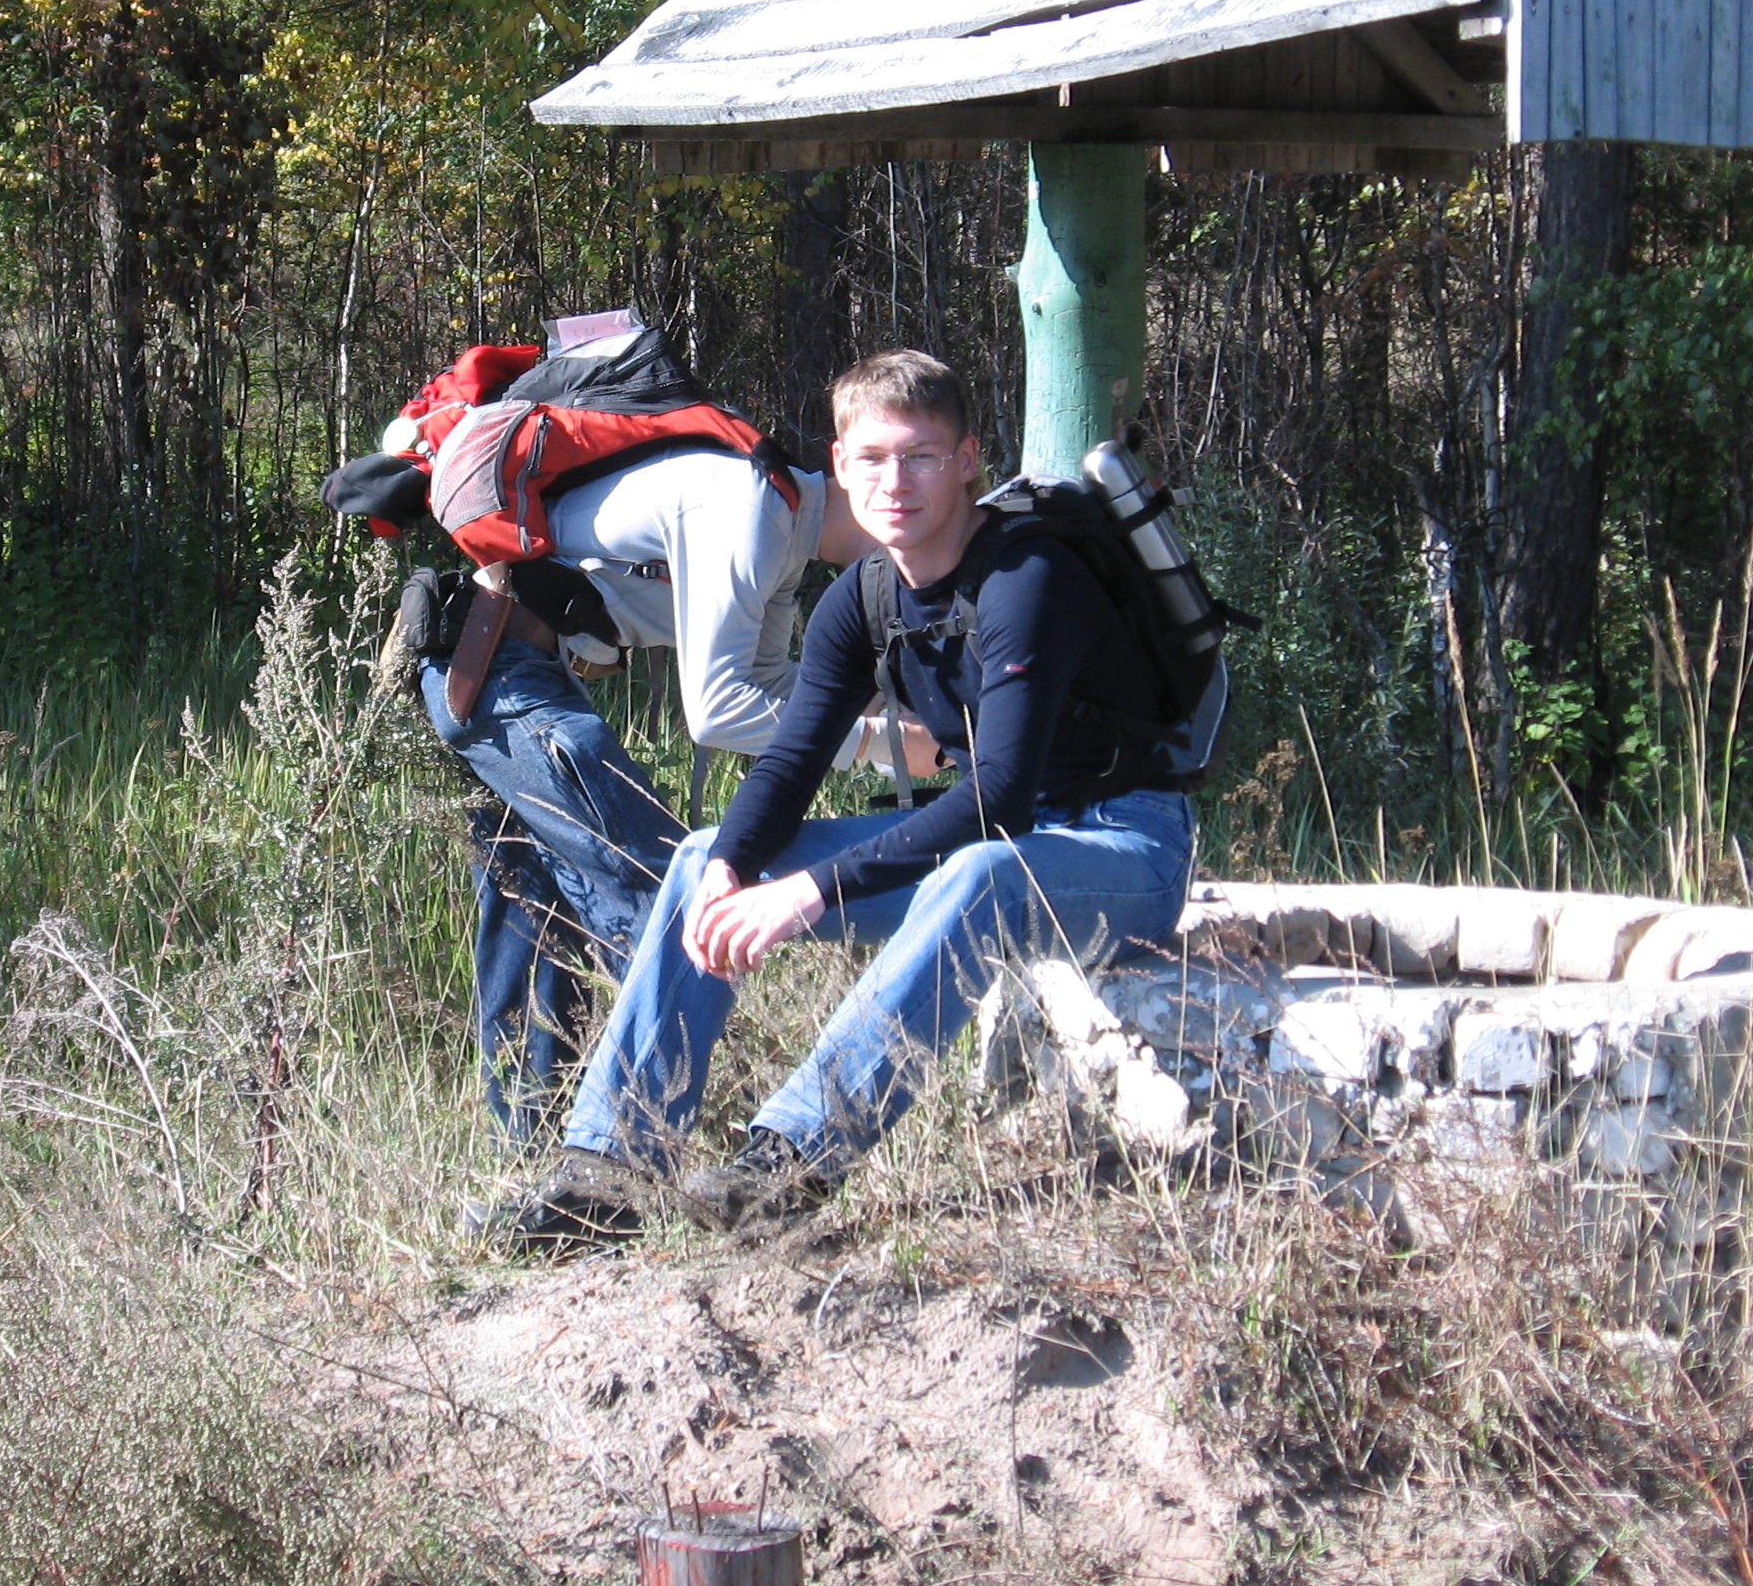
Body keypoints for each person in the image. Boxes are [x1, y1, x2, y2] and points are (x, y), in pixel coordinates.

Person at [499, 349, 1198, 1250]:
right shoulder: (864, 598)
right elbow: (789, 766)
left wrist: (809, 890)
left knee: (983, 871)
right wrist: (734, 866)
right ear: (838, 464)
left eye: (920, 457)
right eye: (870, 458)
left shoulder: (1027, 580)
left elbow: (999, 798)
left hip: (1125, 848)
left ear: (967, 461)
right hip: (998, 849)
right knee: (700, 855)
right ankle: (608, 1173)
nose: (893, 483)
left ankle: (787, 1165)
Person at [409, 439, 897, 1143]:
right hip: (503, 679)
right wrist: (875, 739)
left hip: (490, 678)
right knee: (667, 901)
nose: (909, 552)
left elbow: (769, 682)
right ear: (853, 475)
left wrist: (888, 716)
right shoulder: (749, 503)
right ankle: (687, 1141)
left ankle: (531, 1152)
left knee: (536, 926)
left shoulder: (780, 529)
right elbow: (720, 712)